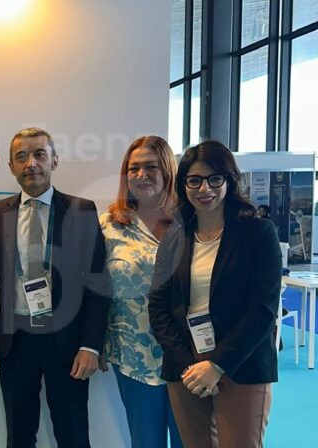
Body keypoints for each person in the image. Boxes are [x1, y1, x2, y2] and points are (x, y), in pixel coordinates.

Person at [0, 127, 111, 448]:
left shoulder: (81, 210)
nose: (30, 163)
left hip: (67, 343)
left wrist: (91, 345)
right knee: (19, 437)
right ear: (11, 166)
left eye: (39, 154)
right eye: (21, 157)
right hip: (15, 341)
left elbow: (98, 283)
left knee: (73, 437)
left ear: (54, 160)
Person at [148, 140, 281, 448]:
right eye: (194, 180)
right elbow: (158, 305)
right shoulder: (174, 237)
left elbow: (262, 308)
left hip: (241, 361)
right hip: (187, 366)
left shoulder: (258, 232)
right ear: (183, 185)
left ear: (229, 180)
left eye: (214, 179)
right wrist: (187, 364)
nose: (204, 189)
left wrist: (217, 364)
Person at [99, 136, 183, 448]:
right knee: (146, 442)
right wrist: (95, 341)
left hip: (189, 354)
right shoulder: (109, 225)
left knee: (190, 441)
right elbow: (94, 288)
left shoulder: (191, 221)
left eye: (151, 167)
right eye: (133, 168)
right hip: (134, 354)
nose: (141, 175)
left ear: (168, 170)